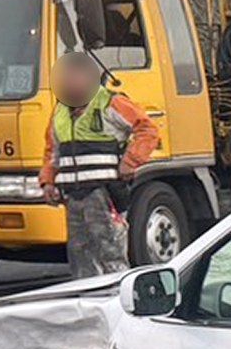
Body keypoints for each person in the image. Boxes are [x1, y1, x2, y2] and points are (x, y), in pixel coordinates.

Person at [39, 53, 158, 279]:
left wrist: (130, 162)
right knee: (80, 253)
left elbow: (148, 129)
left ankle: (116, 299)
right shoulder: (61, 111)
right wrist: (48, 181)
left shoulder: (111, 102)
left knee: (110, 249)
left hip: (103, 192)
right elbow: (52, 151)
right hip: (73, 196)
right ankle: (88, 301)